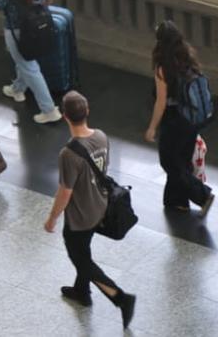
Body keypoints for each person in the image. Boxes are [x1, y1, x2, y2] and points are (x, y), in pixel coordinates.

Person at [45, 91, 136, 329]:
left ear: (65, 116)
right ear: (87, 112)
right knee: (83, 250)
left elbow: (65, 192)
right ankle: (81, 292)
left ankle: (121, 298)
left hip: (80, 216)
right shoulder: (101, 136)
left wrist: (52, 218)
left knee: (80, 259)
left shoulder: (68, 154)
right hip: (100, 206)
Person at [143, 20, 215, 215]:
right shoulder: (188, 56)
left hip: (174, 120)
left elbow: (161, 102)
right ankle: (176, 201)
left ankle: (203, 195)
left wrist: (152, 127)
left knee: (169, 162)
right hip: (191, 118)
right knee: (182, 160)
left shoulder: (163, 67)